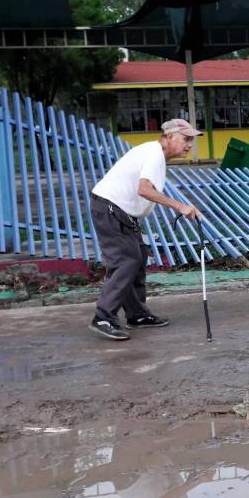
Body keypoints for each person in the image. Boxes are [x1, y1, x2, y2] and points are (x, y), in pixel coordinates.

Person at [88, 118, 204, 340]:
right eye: (186, 139)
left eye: (191, 140)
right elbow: (144, 189)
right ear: (169, 137)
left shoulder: (155, 154)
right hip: (110, 208)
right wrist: (179, 205)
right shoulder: (154, 154)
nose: (189, 145)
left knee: (137, 257)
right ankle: (103, 316)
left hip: (119, 212)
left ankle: (137, 314)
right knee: (125, 261)